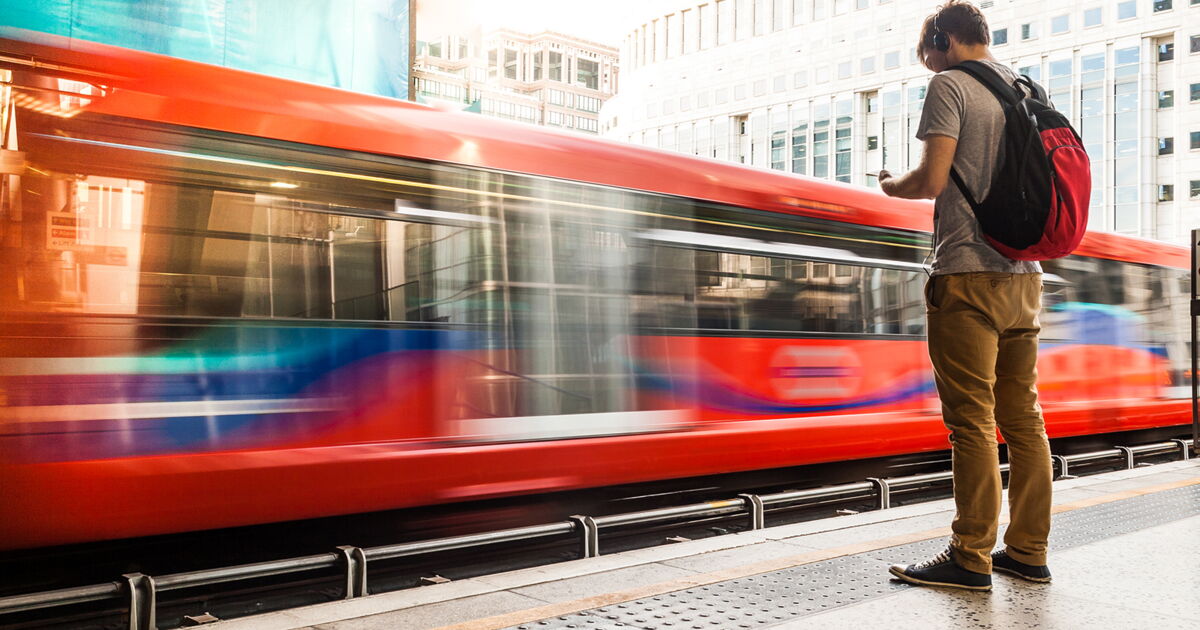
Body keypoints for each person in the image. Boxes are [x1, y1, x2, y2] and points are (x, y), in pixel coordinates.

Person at [877, 0, 1053, 591]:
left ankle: (970, 556)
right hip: (1025, 276)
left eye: (928, 56)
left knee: (972, 421)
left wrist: (889, 185)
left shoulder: (951, 85)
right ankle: (1027, 551)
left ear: (944, 40)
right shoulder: (1025, 86)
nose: (930, 66)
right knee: (1024, 419)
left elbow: (930, 179)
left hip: (967, 273)